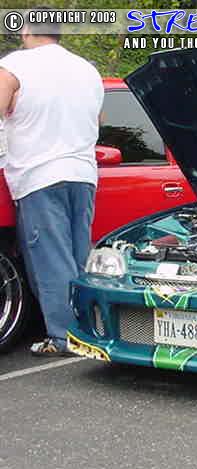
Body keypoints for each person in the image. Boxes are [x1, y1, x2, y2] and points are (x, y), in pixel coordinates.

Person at [0, 9, 104, 356]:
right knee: (78, 258)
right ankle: (89, 329)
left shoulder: (15, 64)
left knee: (51, 261)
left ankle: (64, 338)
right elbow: (98, 120)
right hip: (83, 175)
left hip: (39, 176)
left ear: (27, 32)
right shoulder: (87, 70)